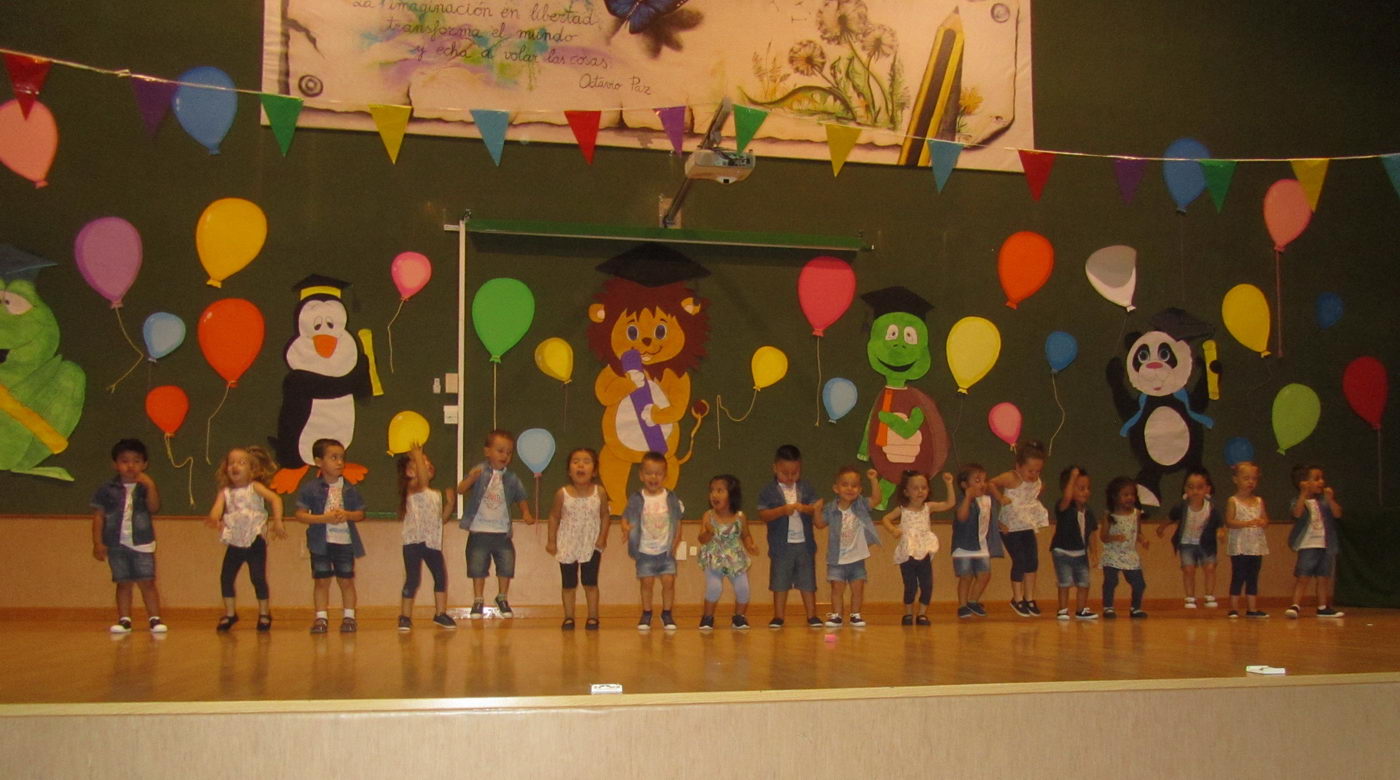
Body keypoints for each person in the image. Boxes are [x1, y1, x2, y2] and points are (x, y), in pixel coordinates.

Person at [90, 439, 167, 634]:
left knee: (147, 581)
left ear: (144, 464)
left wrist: (150, 486)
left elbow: (154, 507)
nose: (131, 465)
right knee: (123, 582)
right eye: (125, 461)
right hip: (116, 543)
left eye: (136, 461)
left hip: (142, 542)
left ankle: (154, 619)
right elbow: (99, 517)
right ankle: (124, 619)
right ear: (115, 464)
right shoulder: (107, 489)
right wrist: (98, 542)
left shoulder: (144, 487)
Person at [205, 446, 285, 632]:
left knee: (257, 577)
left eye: (241, 462)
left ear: (253, 470)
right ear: (226, 469)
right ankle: (230, 614)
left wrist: (278, 521)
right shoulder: (225, 492)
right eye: (231, 462)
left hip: (254, 539)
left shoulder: (254, 487)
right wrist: (215, 516)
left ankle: (264, 613)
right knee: (226, 577)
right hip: (235, 541)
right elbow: (217, 508)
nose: (235, 466)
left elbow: (275, 499)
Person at [456, 429, 534, 619]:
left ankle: (502, 597)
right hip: (479, 530)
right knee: (477, 566)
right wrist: (472, 478)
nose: (505, 456)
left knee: (506, 564)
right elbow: (460, 489)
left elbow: (521, 497)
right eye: (500, 451)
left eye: (508, 452)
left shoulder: (512, 478)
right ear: (487, 452)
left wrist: (525, 512)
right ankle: (478, 600)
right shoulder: (480, 471)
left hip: (501, 532)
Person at [294, 438, 366, 633]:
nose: (339, 462)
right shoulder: (311, 488)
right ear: (319, 462)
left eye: (342, 458)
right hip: (320, 543)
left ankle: (349, 617)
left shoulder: (349, 488)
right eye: (333, 458)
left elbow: (360, 513)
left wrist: (347, 515)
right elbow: (300, 514)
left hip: (344, 542)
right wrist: (323, 518)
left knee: (346, 580)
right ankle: (321, 618)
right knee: (321, 580)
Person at [755, 444, 824, 629]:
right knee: (780, 581)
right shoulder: (768, 491)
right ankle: (778, 616)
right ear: (775, 468)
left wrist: (805, 508)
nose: (790, 477)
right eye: (785, 473)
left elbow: (815, 507)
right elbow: (763, 514)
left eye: (795, 472)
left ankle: (812, 615)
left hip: (804, 544)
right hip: (781, 545)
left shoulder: (806, 488)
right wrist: (782, 510)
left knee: (807, 580)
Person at [546, 447, 611, 630]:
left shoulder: (600, 493)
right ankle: (568, 617)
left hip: (591, 544)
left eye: (586, 461)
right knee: (569, 584)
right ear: (569, 470)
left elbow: (605, 515)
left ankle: (592, 617)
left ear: (594, 470)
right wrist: (551, 541)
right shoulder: (562, 493)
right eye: (575, 462)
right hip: (568, 543)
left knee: (590, 582)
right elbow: (553, 516)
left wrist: (602, 537)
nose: (580, 465)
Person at [880, 470, 955, 625]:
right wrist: (893, 530)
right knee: (910, 586)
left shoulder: (928, 507)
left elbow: (950, 503)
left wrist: (949, 484)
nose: (920, 491)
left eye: (924, 487)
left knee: (927, 585)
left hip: (924, 553)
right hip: (907, 554)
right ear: (906, 492)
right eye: (915, 488)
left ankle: (922, 614)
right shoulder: (902, 509)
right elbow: (885, 518)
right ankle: (908, 613)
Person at [396, 443, 457, 631]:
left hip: (432, 542)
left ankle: (440, 614)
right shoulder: (413, 487)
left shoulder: (435, 494)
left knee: (440, 575)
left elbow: (441, 520)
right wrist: (416, 454)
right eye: (421, 463)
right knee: (412, 578)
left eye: (428, 462)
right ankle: (404, 616)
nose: (427, 464)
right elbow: (422, 481)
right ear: (409, 472)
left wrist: (450, 504)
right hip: (414, 541)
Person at [622, 451, 684, 630]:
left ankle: (667, 613)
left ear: (665, 475)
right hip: (644, 550)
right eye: (649, 473)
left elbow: (677, 520)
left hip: (665, 551)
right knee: (646, 583)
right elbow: (626, 517)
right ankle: (647, 612)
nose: (653, 477)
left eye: (658, 473)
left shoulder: (670, 497)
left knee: (668, 582)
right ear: (641, 475)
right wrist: (625, 528)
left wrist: (677, 539)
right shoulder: (636, 498)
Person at [815, 466, 883, 627]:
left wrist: (873, 479)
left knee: (857, 589)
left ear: (860, 489)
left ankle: (856, 615)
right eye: (845, 484)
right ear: (836, 488)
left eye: (854, 485)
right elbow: (819, 524)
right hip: (836, 559)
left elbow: (876, 499)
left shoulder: (860, 505)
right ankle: (836, 615)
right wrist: (817, 511)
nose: (850, 489)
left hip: (857, 558)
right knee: (837, 590)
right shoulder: (831, 509)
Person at [992, 440, 1049, 616]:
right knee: (1020, 560)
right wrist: (1000, 498)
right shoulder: (1012, 477)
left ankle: (1029, 598)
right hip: (1010, 527)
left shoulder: (1037, 482)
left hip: (1026, 525)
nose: (1034, 474)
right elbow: (991, 483)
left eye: (1038, 471)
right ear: (1018, 466)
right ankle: (1016, 599)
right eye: (1030, 470)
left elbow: (1036, 491)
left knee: (1032, 561)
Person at [696, 474, 758, 630]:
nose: (714, 495)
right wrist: (709, 532)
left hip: (735, 558)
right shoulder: (708, 516)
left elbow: (745, 535)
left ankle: (739, 617)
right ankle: (707, 617)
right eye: (712, 491)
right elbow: (701, 539)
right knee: (714, 587)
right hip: (714, 557)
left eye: (720, 490)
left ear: (732, 495)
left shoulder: (740, 517)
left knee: (743, 588)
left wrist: (750, 545)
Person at [1156, 468, 1221, 609]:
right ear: (1185, 489)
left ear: (1207, 489)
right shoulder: (1182, 506)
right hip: (1187, 543)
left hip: (1206, 543)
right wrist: (1162, 527)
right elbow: (1170, 517)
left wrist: (1220, 532)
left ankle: (1209, 595)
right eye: (1191, 487)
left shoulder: (1212, 507)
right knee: (1188, 569)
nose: (1195, 491)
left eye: (1199, 487)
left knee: (1210, 567)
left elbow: (1218, 522)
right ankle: (1190, 597)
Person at [1285, 464, 1345, 619]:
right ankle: (1295, 605)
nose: (1321, 482)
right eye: (1316, 479)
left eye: (1322, 478)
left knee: (1323, 577)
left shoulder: (1324, 501)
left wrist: (1330, 500)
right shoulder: (1299, 500)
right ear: (1304, 483)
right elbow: (1297, 514)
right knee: (1303, 576)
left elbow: (1337, 514)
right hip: (1308, 545)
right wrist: (1303, 494)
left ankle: (1323, 607)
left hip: (1326, 544)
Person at [951, 463, 1004, 618]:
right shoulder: (963, 500)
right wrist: (968, 497)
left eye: (983, 480)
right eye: (977, 480)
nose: (982, 484)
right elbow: (961, 517)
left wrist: (1000, 525)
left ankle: (973, 601)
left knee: (984, 575)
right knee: (966, 577)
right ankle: (962, 605)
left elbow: (988, 518)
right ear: (964, 485)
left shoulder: (987, 500)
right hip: (964, 547)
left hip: (982, 546)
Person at [1050, 466, 1098, 620]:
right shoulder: (1064, 506)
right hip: (1062, 552)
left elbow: (1091, 533)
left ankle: (1081, 609)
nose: (1086, 492)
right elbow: (1066, 497)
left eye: (1088, 488)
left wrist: (1094, 552)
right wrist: (1072, 477)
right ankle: (1063, 609)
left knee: (1084, 582)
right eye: (1081, 488)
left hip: (1080, 553)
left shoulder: (1089, 512)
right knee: (1065, 582)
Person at [1224, 461, 1270, 619]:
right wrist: (1246, 523)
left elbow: (1265, 520)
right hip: (1240, 545)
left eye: (1254, 479)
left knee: (1253, 576)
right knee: (1238, 575)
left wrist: (1262, 522)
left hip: (1256, 546)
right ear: (1236, 479)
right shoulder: (1233, 501)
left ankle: (1252, 609)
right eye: (1246, 478)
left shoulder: (1259, 501)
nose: (1251, 482)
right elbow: (1229, 521)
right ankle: (1233, 608)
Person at [1101, 476, 1150, 618]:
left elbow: (1138, 532)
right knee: (1111, 581)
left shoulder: (1136, 514)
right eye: (1125, 495)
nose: (1130, 498)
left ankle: (1135, 608)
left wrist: (1143, 540)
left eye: (1132, 495)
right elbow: (1103, 536)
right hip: (1112, 554)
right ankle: (1108, 607)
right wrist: (1113, 537)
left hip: (1129, 553)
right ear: (1115, 497)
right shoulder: (1109, 515)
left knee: (1139, 583)